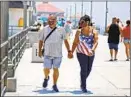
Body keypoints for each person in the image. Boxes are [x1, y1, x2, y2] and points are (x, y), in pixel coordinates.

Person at [38, 15, 70, 92]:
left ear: (56, 21)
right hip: (47, 53)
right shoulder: (44, 29)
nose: (50, 22)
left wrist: (69, 51)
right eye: (49, 20)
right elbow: (41, 41)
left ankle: (54, 84)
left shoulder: (61, 30)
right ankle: (46, 77)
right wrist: (39, 51)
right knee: (46, 69)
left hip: (58, 54)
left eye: (52, 20)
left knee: (56, 69)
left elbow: (66, 41)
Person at [68, 15, 98, 93]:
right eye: (80, 22)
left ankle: (82, 80)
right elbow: (75, 43)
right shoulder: (79, 31)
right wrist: (71, 52)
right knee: (84, 69)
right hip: (81, 53)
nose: (80, 24)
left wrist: (92, 50)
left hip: (91, 53)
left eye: (82, 22)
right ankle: (83, 86)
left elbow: (96, 42)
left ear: (88, 22)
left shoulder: (94, 31)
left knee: (89, 69)